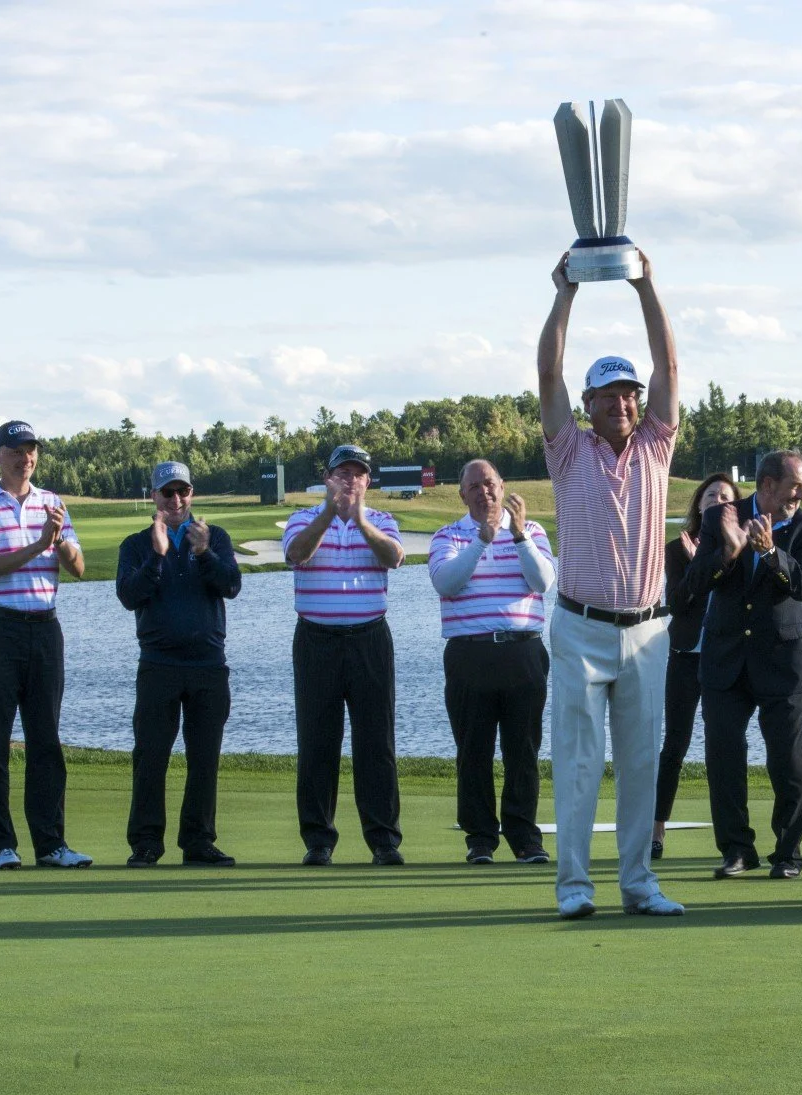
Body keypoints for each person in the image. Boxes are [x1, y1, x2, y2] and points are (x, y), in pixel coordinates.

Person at [536, 248, 685, 919]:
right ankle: (574, 887)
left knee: (640, 765)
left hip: (647, 630)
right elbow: (547, 372)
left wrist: (646, 286)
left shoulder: (657, 443)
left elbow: (669, 366)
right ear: (588, 404)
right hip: (580, 628)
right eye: (609, 394)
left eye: (630, 393)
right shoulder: (567, 448)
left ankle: (638, 884)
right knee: (577, 765)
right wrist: (565, 292)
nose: (623, 402)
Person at [687, 449, 802, 879]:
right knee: (724, 756)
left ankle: (788, 853)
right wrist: (728, 553)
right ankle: (737, 850)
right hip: (725, 660)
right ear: (767, 485)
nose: (801, 495)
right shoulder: (719, 519)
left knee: (788, 760)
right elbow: (694, 584)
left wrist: (770, 554)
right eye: (794, 487)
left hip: (783, 662)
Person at [0, 420, 90, 869]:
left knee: (46, 740)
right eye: (16, 450)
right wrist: (39, 545)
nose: (25, 458)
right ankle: (1, 846)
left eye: (31, 449)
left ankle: (51, 845)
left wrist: (60, 541)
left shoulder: (52, 503)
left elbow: (78, 568)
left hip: (45, 629)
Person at [428, 459, 557, 865]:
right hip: (470, 654)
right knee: (474, 750)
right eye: (474, 487)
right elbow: (446, 583)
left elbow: (542, 582)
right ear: (461, 495)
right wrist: (481, 542)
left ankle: (524, 838)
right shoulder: (448, 536)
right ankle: (480, 838)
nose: (484, 492)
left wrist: (518, 536)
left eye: (489, 484)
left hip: (523, 652)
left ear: (502, 486)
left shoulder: (531, 531)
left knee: (523, 750)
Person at [116, 461, 243, 867]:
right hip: (159, 665)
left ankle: (198, 841)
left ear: (191, 493)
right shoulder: (136, 545)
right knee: (151, 757)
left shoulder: (213, 537)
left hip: (208, 665)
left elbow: (231, 585)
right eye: (167, 493)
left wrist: (203, 553)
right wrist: (157, 556)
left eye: (182, 491)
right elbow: (129, 596)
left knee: (204, 758)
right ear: (153, 496)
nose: (175, 500)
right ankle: (146, 843)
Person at [285, 443, 405, 866]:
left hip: (370, 639)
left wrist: (360, 521)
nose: (350, 480)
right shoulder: (302, 519)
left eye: (358, 474)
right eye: (342, 473)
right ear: (328, 479)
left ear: (367, 482)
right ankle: (319, 840)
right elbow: (297, 554)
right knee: (317, 741)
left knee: (376, 742)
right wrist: (329, 514)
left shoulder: (383, 520)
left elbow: (393, 557)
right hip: (316, 641)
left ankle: (384, 841)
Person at [654, 473, 740, 860]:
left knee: (722, 745)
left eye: (725, 497)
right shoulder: (677, 549)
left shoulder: (743, 545)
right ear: (699, 505)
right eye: (710, 496)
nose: (717, 501)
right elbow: (676, 602)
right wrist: (694, 566)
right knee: (675, 744)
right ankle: (656, 830)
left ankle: (731, 839)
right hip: (685, 655)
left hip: (726, 658)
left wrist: (707, 562)